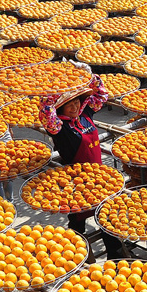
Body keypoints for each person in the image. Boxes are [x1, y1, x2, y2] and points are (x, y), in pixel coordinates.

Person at [38, 77, 123, 259]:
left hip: (100, 178)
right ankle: (75, 258)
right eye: (70, 105)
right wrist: (50, 90)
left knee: (106, 217)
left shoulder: (85, 116)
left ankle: (115, 258)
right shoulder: (60, 127)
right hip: (77, 182)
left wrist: (91, 77)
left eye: (77, 102)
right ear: (60, 108)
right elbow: (46, 113)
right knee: (78, 220)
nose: (75, 107)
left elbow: (101, 95)